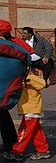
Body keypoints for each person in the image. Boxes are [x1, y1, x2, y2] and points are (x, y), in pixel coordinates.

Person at [1, 69, 50, 161]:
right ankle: (43, 150)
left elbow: (43, 84)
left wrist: (29, 77)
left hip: (31, 109)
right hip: (29, 109)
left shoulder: (30, 78)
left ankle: (16, 152)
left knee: (24, 131)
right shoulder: (20, 79)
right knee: (36, 132)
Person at [0, 20, 34, 153]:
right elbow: (31, 56)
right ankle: (11, 144)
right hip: (7, 91)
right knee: (3, 115)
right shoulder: (16, 44)